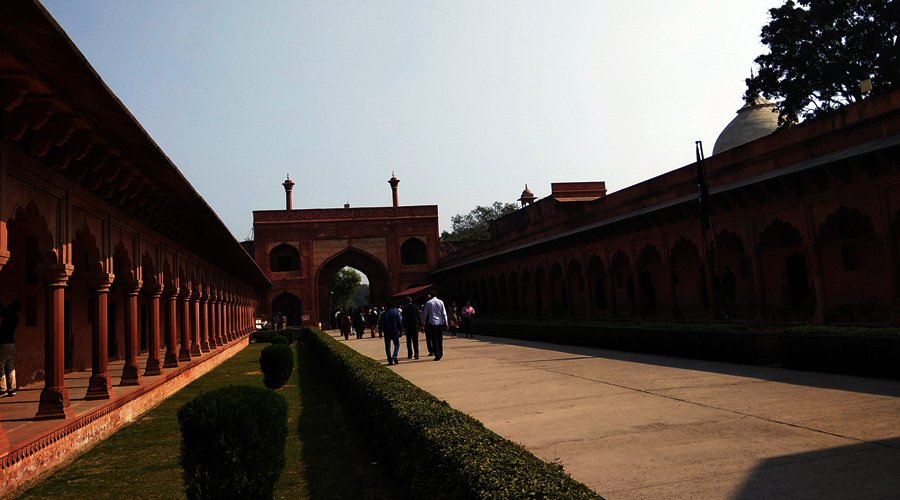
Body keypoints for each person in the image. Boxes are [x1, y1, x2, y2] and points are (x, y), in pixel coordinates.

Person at [0, 300, 22, 397]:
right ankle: (12, 388)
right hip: (11, 343)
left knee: (1, 364)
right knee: (10, 365)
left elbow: (3, 311)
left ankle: (2, 389)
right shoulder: (15, 318)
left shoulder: (8, 317)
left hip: (3, 342)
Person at [423, 293, 448, 361]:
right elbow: (444, 313)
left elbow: (425, 313)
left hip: (432, 322)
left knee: (434, 339)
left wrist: (423, 322)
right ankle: (441, 352)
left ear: (430, 296)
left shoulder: (428, 303)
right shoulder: (441, 302)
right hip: (440, 322)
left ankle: (437, 354)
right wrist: (446, 323)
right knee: (440, 338)